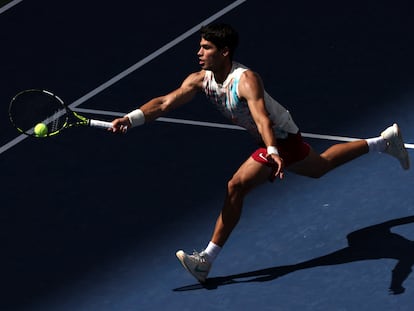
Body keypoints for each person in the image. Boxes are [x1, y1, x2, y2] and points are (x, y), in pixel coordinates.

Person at [110, 23, 410, 283]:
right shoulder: (199, 80)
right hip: (275, 140)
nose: (199, 53)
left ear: (224, 51)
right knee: (319, 166)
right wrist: (131, 118)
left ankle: (205, 260)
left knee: (236, 186)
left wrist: (271, 150)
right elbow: (163, 103)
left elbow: (262, 117)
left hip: (280, 138)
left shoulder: (246, 79)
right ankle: (384, 142)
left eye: (206, 48)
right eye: (199, 47)